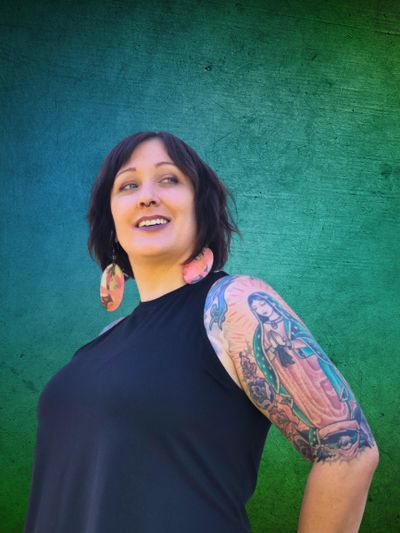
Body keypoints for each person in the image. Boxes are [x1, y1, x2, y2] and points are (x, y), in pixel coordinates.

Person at [23, 130, 379, 533]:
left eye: (169, 179)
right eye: (128, 185)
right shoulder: (103, 340)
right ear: (111, 219)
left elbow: (348, 450)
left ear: (201, 207)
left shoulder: (232, 305)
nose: (147, 196)